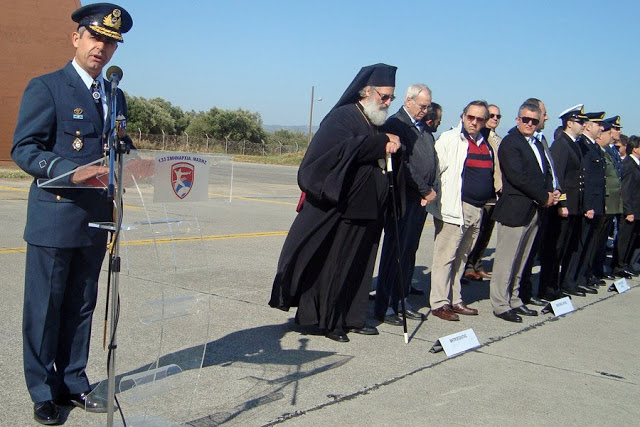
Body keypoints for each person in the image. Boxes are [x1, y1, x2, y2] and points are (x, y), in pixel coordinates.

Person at [10, 3, 133, 425]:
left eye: (110, 42)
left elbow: (118, 147)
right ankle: (44, 391)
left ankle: (74, 381)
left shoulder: (115, 96)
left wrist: (136, 164)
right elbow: (24, 149)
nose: (102, 48)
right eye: (96, 37)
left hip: (97, 219)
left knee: (82, 304)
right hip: (56, 216)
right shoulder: (47, 87)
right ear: (76, 38)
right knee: (45, 308)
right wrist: (72, 172)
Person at [269, 64, 401, 343]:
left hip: (369, 209)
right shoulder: (342, 117)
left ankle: (352, 317)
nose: (387, 103)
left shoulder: (374, 121)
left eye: (391, 98)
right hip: (344, 208)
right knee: (337, 265)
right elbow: (336, 153)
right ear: (366, 91)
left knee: (361, 266)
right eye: (384, 97)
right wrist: (380, 144)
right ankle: (329, 321)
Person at [489, 101, 558, 322]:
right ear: (517, 119)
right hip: (515, 209)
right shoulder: (511, 143)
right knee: (506, 260)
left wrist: (551, 193)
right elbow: (518, 177)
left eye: (533, 121)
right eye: (525, 119)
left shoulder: (536, 144)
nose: (529, 123)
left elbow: (544, 172)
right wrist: (543, 196)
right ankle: (500, 303)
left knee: (522, 259)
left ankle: (515, 299)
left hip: (534, 209)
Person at [374, 84, 436, 325]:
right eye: (422, 106)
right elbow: (404, 165)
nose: (425, 110)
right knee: (395, 252)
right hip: (403, 199)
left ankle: (401, 299)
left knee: (409, 252)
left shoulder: (424, 129)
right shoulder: (396, 125)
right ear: (409, 101)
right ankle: (385, 304)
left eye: (428, 106)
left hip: (421, 201)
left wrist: (433, 190)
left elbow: (433, 162)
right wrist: (424, 189)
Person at [428, 100, 493, 321]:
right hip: (455, 208)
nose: (474, 122)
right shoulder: (450, 139)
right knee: (445, 257)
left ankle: (455, 299)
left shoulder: (486, 144)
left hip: (477, 209)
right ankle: (439, 302)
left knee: (462, 257)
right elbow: (436, 170)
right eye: (470, 117)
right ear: (463, 116)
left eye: (480, 119)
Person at [542, 105, 589, 299]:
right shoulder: (562, 144)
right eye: (580, 122)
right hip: (564, 207)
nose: (583, 125)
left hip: (573, 206)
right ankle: (548, 288)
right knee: (555, 248)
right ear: (569, 123)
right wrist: (561, 204)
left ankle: (555, 285)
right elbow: (557, 178)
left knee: (563, 249)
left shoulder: (574, 144)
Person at [464, 104, 503, 281]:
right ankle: (468, 266)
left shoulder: (497, 139)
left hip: (494, 194)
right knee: (473, 235)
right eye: (492, 115)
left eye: (498, 116)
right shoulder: (480, 138)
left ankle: (477, 263)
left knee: (486, 232)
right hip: (478, 196)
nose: (495, 119)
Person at [573, 112, 607, 292]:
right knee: (581, 245)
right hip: (589, 206)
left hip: (596, 204)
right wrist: (588, 205)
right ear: (587, 126)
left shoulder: (593, 147)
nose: (601, 128)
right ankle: (574, 279)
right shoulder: (583, 146)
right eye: (598, 124)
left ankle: (582, 277)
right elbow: (584, 178)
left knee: (591, 244)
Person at [613, 136, 640, 278]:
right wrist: (628, 210)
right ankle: (619, 266)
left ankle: (627, 264)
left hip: (636, 210)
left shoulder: (636, 164)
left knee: (632, 239)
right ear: (635, 148)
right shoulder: (629, 164)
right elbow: (626, 190)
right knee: (624, 239)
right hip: (630, 210)